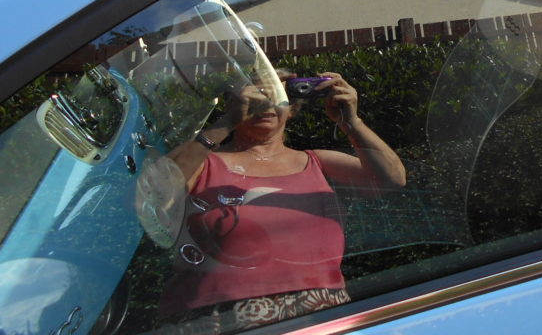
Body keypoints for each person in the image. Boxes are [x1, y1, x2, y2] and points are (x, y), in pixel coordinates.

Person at [159, 69, 405, 332]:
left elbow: (392, 178)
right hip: (219, 316)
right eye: (255, 95)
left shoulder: (318, 162)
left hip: (321, 313)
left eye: (276, 96)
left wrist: (351, 121)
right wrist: (226, 123)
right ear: (235, 103)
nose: (266, 104)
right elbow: (158, 189)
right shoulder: (205, 162)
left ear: (292, 109)